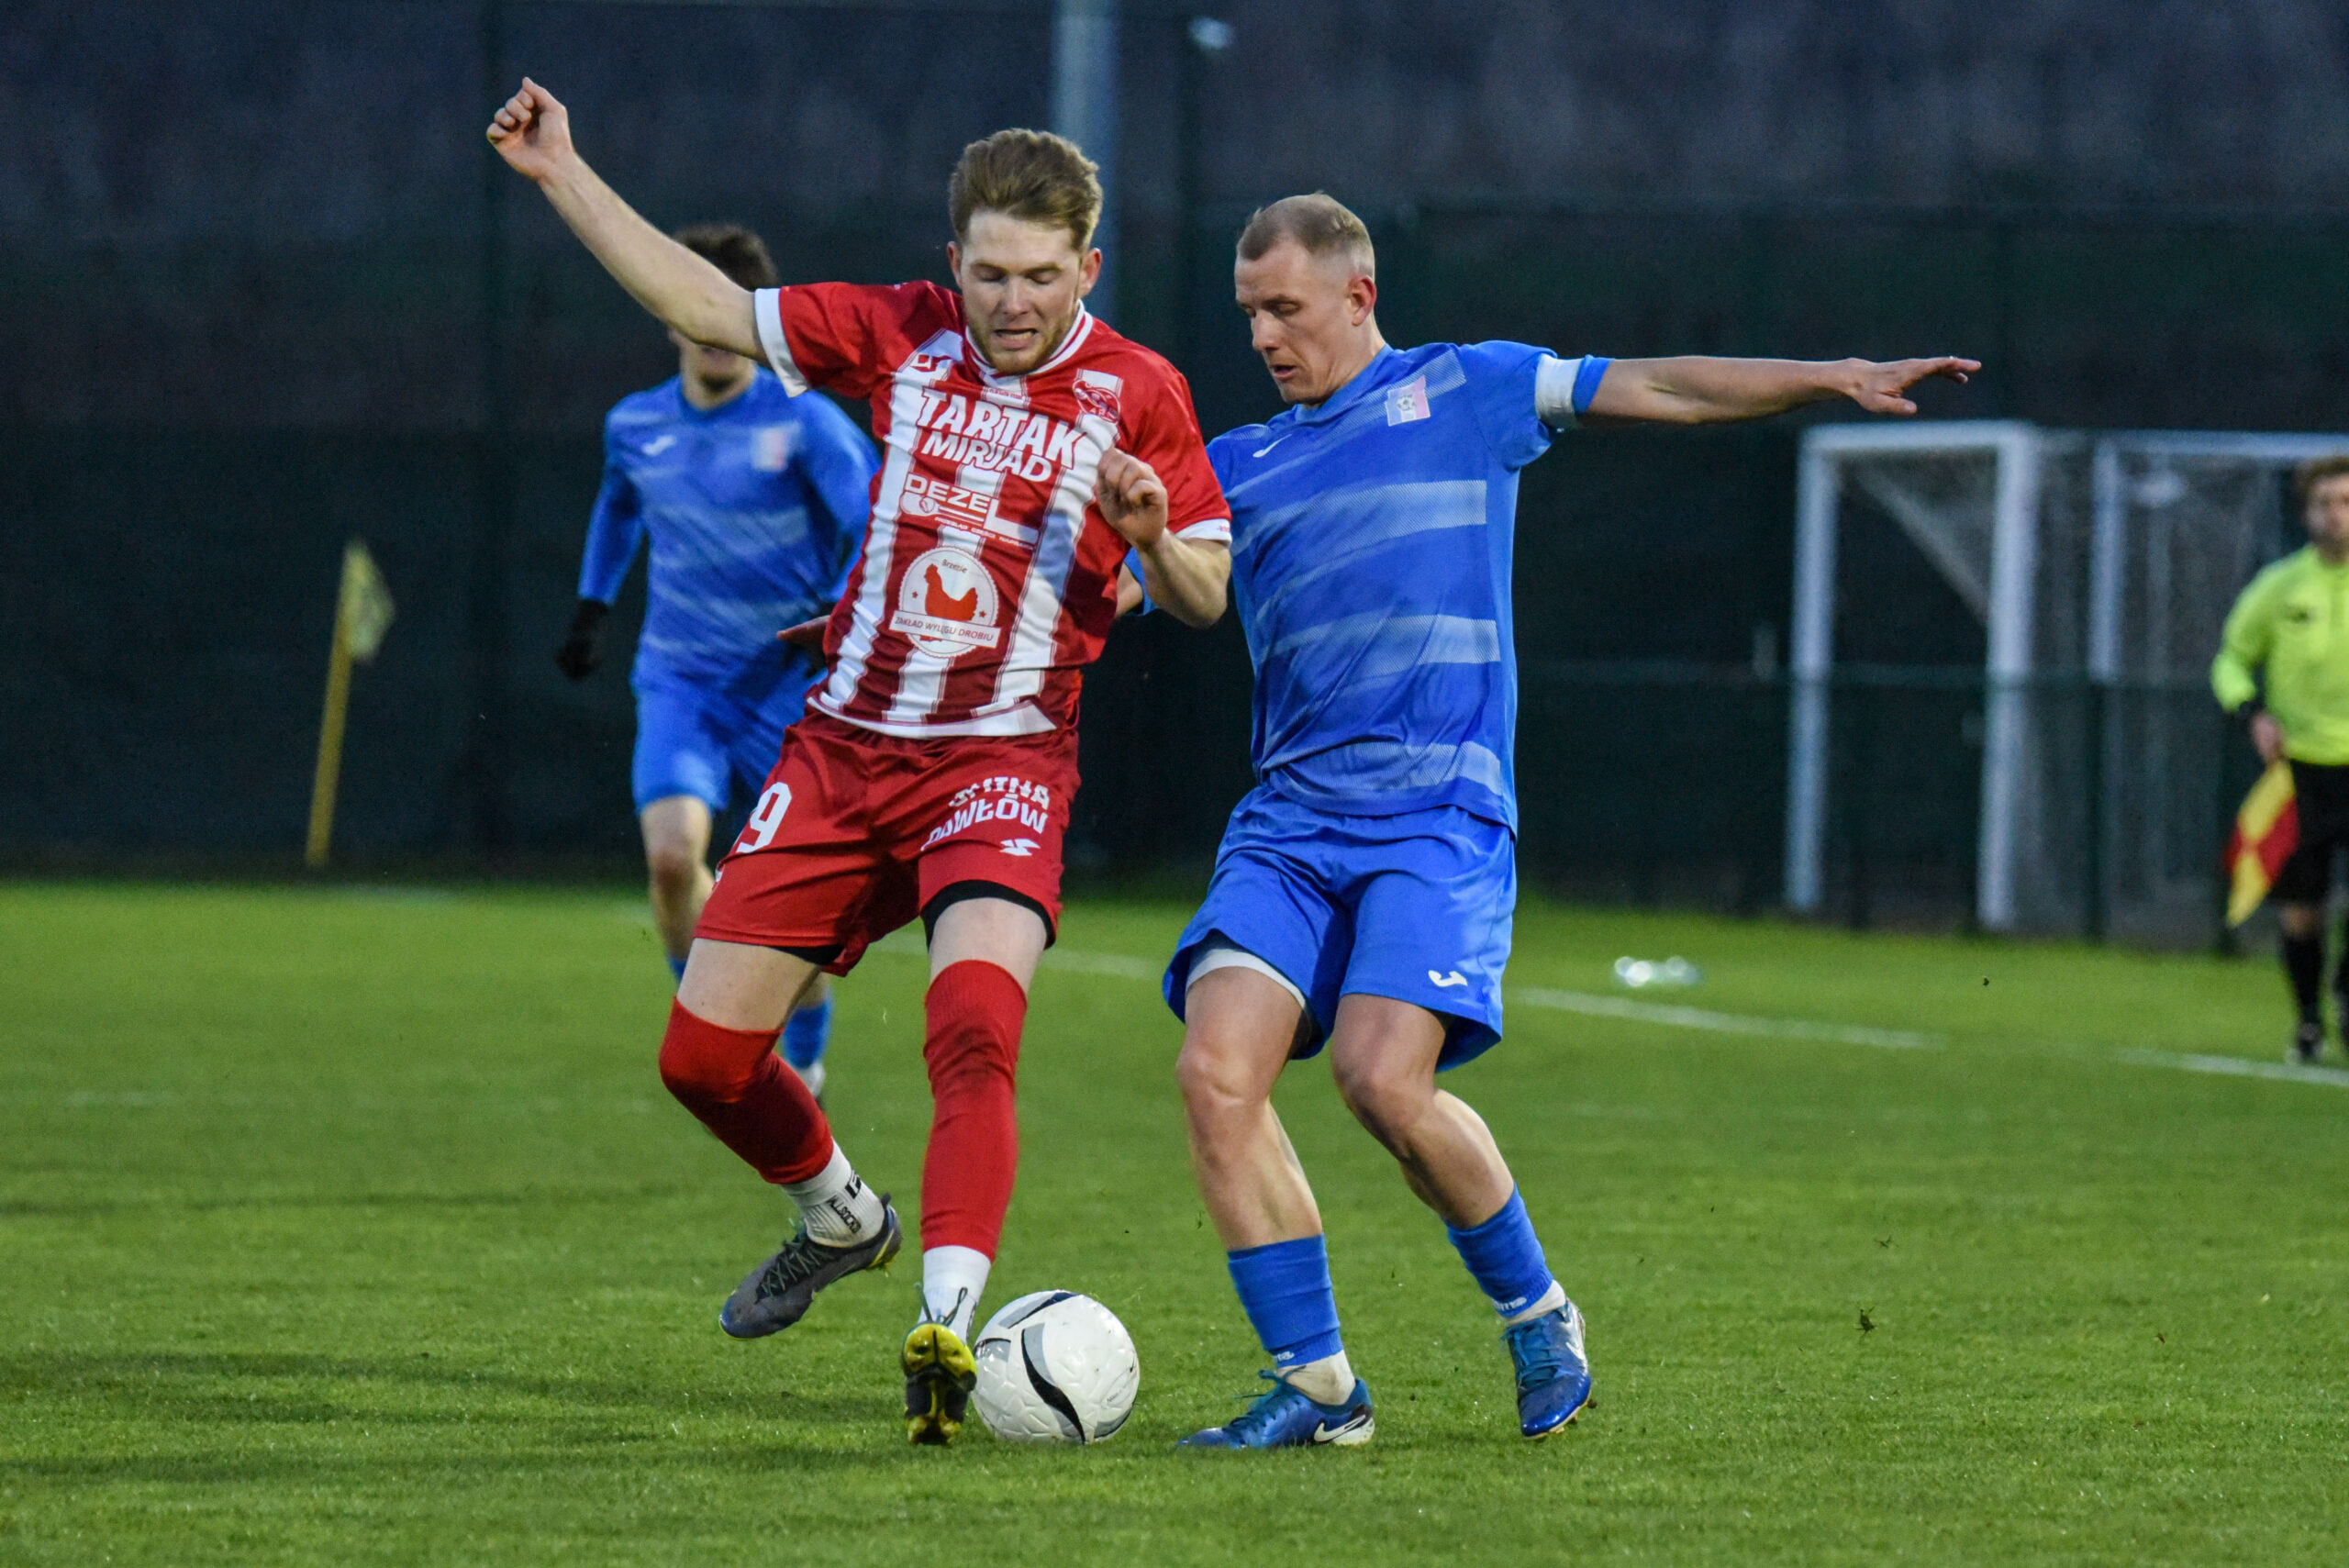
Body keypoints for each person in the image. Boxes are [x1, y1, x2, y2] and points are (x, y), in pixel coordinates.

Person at [1160, 194, 1976, 1450]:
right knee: (1216, 1074)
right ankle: (1318, 1388)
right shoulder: (1234, 465)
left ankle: (1537, 1311)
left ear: (1359, 295)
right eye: (1248, 313)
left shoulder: (1465, 391)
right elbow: (1131, 591)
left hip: (1438, 811)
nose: (1264, 335)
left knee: (1382, 1080)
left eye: (1285, 307)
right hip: (1290, 820)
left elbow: (1664, 386)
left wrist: (1828, 377)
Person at [487, 81, 1232, 1444]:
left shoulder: (1142, 393)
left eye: (1042, 276)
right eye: (991, 273)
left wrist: (1153, 536)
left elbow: (1204, 595)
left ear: (1089, 268)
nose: (1013, 301)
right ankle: (841, 1216)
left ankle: (945, 1322)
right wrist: (562, 175)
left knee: (974, 1026)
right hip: (840, 751)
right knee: (703, 1060)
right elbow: (711, 306)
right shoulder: (902, 331)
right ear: (956, 261)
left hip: (1002, 763)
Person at [557, 222, 879, 1100]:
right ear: (669, 314)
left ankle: (803, 1058)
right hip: (684, 684)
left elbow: (875, 523)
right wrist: (592, 606)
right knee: (672, 860)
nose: (710, 329)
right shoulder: (636, 425)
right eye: (694, 306)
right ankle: (714, 1026)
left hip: (790, 689)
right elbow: (618, 509)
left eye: (727, 310)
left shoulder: (805, 422)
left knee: (787, 903)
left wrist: (841, 615)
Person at [2212, 454, 2349, 1064]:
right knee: (2301, 909)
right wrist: (2252, 713)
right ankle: (2309, 1020)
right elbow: (2231, 660)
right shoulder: (2281, 586)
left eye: (2346, 502)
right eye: (2325, 504)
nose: (2337, 515)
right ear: (2307, 513)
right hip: (2300, 771)